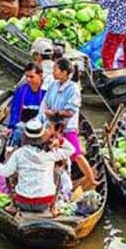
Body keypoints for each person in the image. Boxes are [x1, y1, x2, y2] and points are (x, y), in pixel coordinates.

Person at [0, 119, 76, 214]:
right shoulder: (50, 154)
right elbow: (71, 149)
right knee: (58, 172)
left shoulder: (19, 153)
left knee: (10, 174)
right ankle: (53, 207)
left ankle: (13, 205)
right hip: (44, 203)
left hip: (22, 202)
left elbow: (4, 172)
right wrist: (60, 141)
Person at [42, 58, 95, 189]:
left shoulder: (73, 89)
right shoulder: (54, 85)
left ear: (64, 72)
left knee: (76, 154)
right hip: (52, 125)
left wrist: (55, 113)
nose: (53, 72)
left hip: (67, 126)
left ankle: (91, 180)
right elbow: (47, 101)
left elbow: (70, 111)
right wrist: (49, 112)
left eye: (56, 69)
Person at [6, 64, 46, 145]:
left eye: (31, 77)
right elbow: (15, 110)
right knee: (17, 134)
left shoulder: (46, 91)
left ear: (40, 76)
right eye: (26, 76)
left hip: (40, 127)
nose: (28, 79)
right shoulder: (22, 90)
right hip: (23, 125)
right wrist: (11, 127)